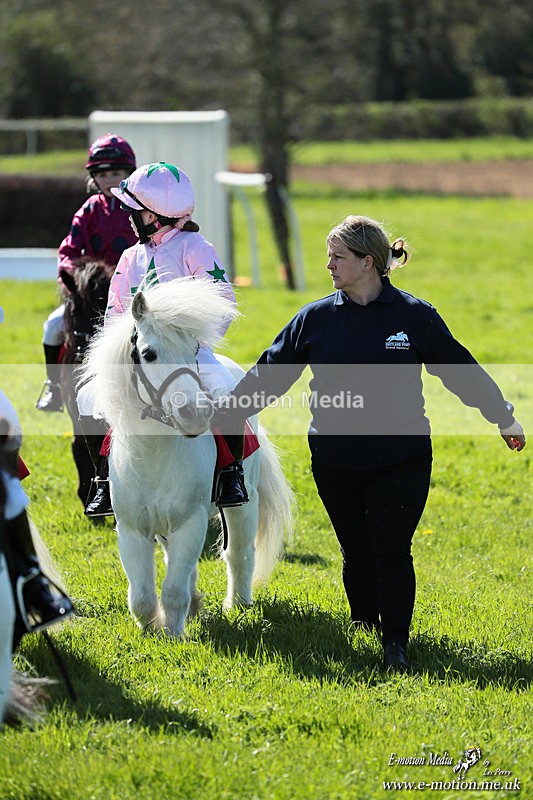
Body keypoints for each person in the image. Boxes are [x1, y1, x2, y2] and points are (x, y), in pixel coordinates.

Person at [212, 214, 526, 672]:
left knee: (391, 549)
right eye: (329, 257)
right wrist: (225, 414)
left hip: (401, 458)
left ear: (368, 262)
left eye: (338, 257)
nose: (330, 266)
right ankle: (363, 629)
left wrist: (503, 417)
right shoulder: (315, 319)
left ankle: (395, 643)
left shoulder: (413, 317)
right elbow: (270, 374)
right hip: (335, 460)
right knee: (356, 551)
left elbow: (459, 369)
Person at [80, 160, 248, 516]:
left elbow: (223, 303)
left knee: (225, 390)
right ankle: (104, 480)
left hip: (192, 353)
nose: (128, 217)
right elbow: (115, 313)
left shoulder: (195, 247)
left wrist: (196, 345)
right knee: (86, 397)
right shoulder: (130, 256)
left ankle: (231, 471)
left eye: (134, 211)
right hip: (142, 357)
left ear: (155, 215)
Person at [36, 133, 137, 413]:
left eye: (116, 173)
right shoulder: (89, 210)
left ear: (129, 173)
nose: (109, 180)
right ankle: (54, 387)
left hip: (133, 294)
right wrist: (76, 279)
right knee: (52, 326)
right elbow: (68, 252)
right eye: (102, 175)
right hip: (91, 296)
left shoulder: (142, 209)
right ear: (94, 177)